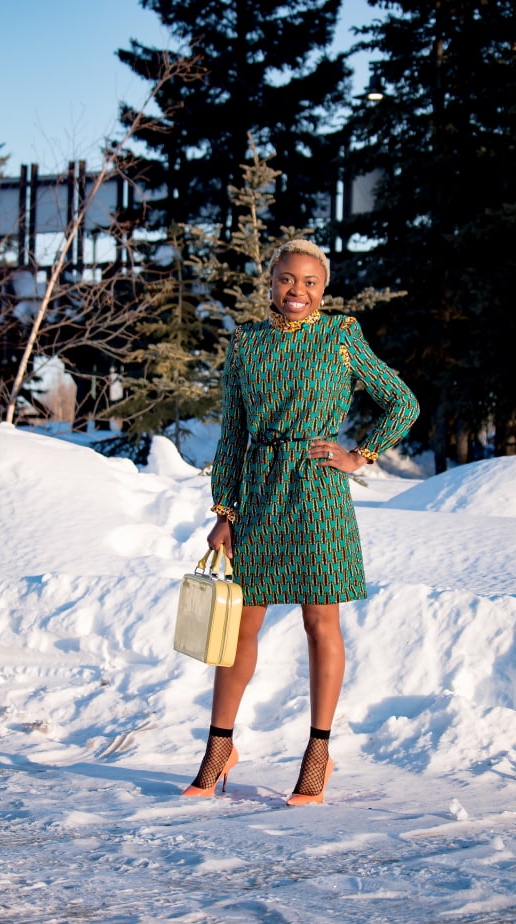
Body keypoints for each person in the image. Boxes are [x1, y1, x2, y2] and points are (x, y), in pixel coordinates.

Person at [182, 239, 419, 805]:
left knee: (321, 622)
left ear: (323, 289)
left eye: (310, 283)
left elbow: (402, 402)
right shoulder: (246, 344)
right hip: (259, 492)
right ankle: (220, 747)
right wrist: (224, 512)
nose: (298, 292)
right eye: (288, 280)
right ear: (270, 282)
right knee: (241, 626)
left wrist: (360, 455)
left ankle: (319, 752)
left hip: (316, 493)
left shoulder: (341, 338)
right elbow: (234, 433)